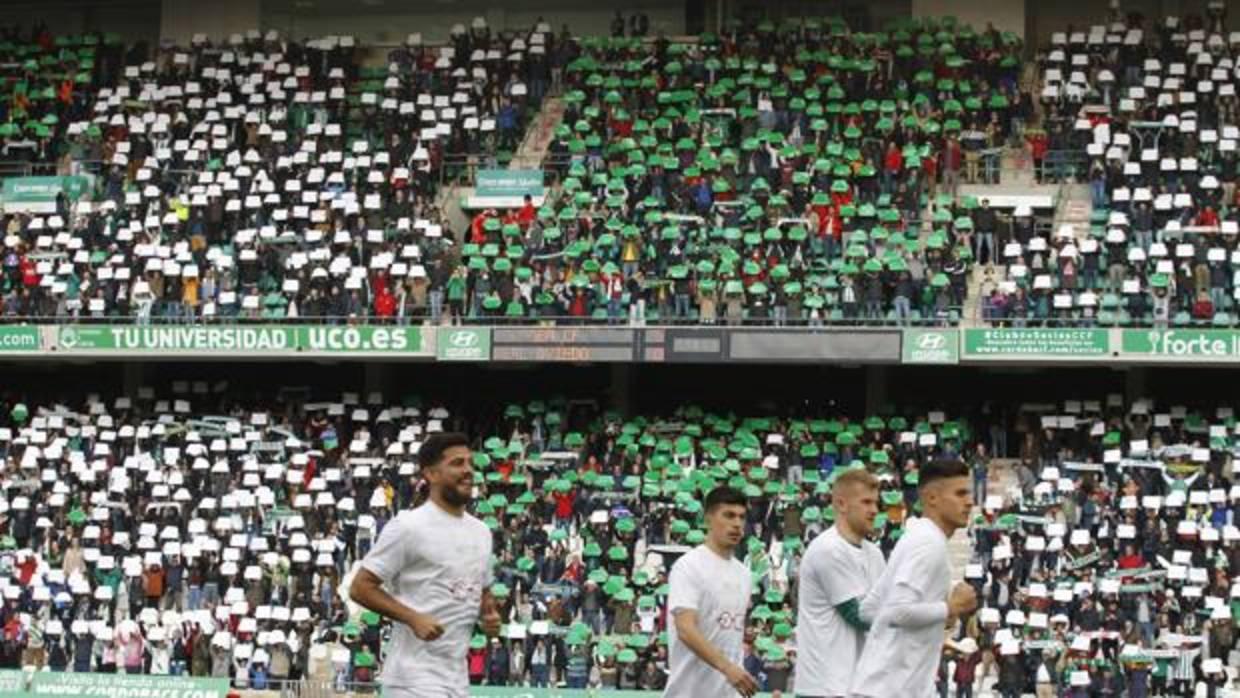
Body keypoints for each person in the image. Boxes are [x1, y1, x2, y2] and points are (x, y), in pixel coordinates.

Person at [349, 432, 503, 698]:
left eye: (470, 463)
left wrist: (489, 615)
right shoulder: (408, 526)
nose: (468, 470)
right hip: (412, 680)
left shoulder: (481, 532)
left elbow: (482, 590)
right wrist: (412, 617)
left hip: (456, 680)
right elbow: (360, 587)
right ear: (430, 474)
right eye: (457, 463)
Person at [849, 459, 978, 698]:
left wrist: (934, 621)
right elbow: (899, 612)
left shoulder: (914, 537)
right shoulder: (928, 544)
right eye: (960, 494)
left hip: (880, 687)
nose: (970, 502)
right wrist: (949, 608)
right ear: (931, 498)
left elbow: (869, 610)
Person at [794, 468, 886, 698]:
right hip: (823, 687)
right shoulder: (828, 550)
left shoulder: (874, 553)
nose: (874, 510)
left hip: (856, 685)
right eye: (866, 502)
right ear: (841, 504)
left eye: (876, 503)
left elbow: (889, 606)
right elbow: (860, 616)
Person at [664, 486, 758, 698]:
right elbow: (685, 629)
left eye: (741, 517)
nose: (736, 524)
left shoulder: (744, 574)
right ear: (708, 518)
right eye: (729, 515)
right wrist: (727, 668)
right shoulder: (689, 566)